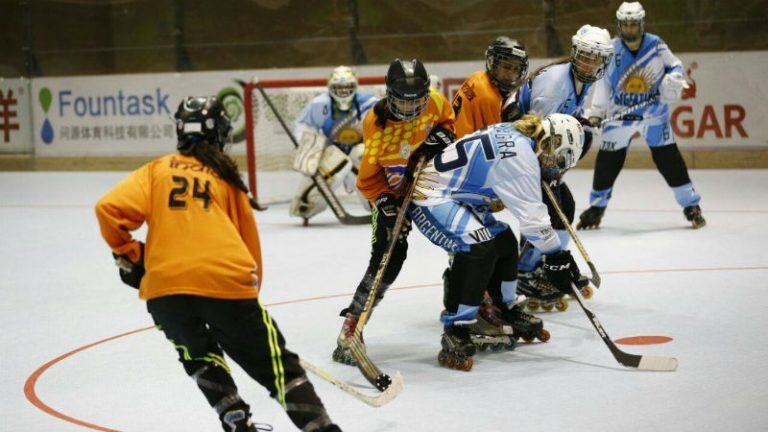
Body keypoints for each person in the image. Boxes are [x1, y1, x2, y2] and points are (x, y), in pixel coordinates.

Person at [95, 96, 342, 432]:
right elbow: (249, 250)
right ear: (221, 134)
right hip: (226, 287)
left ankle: (234, 417)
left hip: (165, 292)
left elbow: (108, 209)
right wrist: (247, 303)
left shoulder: (156, 170)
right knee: (280, 370)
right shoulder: (226, 178)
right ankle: (321, 429)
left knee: (199, 356)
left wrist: (133, 256)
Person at [411, 114, 586, 370]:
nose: (554, 167)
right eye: (557, 159)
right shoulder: (522, 158)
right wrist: (557, 256)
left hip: (456, 194)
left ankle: (504, 306)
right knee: (477, 247)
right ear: (550, 142)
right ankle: (457, 326)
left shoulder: (519, 136)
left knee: (503, 239)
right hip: (431, 196)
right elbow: (534, 222)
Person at [332, 59, 456, 366]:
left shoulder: (436, 102)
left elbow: (447, 122)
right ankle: (352, 327)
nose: (412, 109)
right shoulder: (377, 124)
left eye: (418, 101)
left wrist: (442, 135)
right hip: (392, 191)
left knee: (463, 241)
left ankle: (472, 307)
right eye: (402, 101)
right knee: (389, 256)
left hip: (432, 189)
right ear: (389, 95)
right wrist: (385, 202)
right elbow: (369, 179)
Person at [506, 24, 613, 312]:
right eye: (585, 56)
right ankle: (524, 272)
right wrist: (545, 171)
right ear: (575, 53)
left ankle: (544, 265)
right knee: (547, 211)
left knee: (565, 205)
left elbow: (564, 120)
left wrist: (583, 123)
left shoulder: (582, 80)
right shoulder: (555, 84)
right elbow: (532, 131)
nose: (589, 64)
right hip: (520, 152)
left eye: (595, 58)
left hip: (540, 151)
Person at [579, 1, 705, 230]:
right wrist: (596, 113)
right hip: (619, 117)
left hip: (654, 116)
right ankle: (597, 207)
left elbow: (676, 67)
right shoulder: (612, 49)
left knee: (669, 160)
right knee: (608, 162)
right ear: (619, 25)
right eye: (625, 24)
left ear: (641, 24)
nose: (629, 29)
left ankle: (691, 205)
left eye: (633, 24)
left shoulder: (656, 45)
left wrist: (673, 80)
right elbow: (604, 85)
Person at [290, 66, 377, 224]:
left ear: (355, 87)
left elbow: (383, 128)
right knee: (333, 160)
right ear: (330, 87)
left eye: (347, 87)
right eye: (338, 87)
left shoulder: (369, 103)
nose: (343, 92)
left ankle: (377, 205)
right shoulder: (319, 104)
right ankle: (307, 207)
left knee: (363, 154)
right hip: (333, 152)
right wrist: (310, 148)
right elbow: (303, 127)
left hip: (360, 150)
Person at [452, 36, 529, 139]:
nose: (510, 74)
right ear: (494, 64)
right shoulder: (489, 96)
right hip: (464, 148)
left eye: (516, 69)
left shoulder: (476, 77)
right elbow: (499, 142)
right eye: (506, 67)